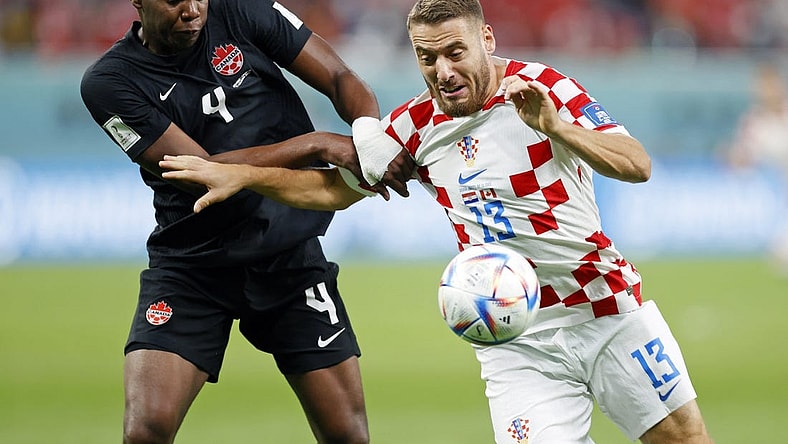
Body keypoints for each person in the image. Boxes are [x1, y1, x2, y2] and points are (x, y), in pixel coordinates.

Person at [159, 0, 714, 442]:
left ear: (486, 39)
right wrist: (246, 176)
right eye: (427, 58)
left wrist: (557, 128)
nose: (443, 72)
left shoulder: (544, 88)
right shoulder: (416, 125)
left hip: (604, 308)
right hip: (515, 340)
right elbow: (332, 190)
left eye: (455, 52)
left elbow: (636, 164)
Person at [79, 0, 411, 442]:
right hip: (193, 264)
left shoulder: (239, 9)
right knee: (146, 430)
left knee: (348, 435)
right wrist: (316, 145)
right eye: (175, 0)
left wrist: (367, 136)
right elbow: (200, 173)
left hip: (287, 254)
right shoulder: (109, 82)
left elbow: (338, 76)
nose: (192, 9)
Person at [725, 62, 788, 275]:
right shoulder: (754, 123)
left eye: (770, 85)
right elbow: (742, 158)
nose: (766, 91)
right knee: (781, 257)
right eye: (761, 86)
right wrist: (733, 158)